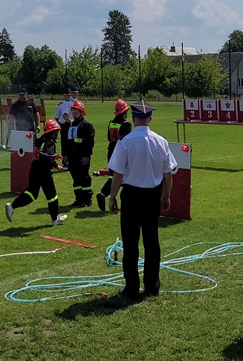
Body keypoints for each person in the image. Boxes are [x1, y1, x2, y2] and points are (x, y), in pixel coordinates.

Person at [108, 100, 176, 300]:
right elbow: (168, 173)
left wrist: (112, 196)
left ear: (134, 119)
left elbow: (118, 174)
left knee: (130, 243)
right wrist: (166, 196)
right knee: (151, 241)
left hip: (131, 195)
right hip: (152, 195)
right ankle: (152, 287)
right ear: (150, 119)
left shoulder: (126, 142)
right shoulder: (161, 141)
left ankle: (131, 288)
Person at [5, 119, 68, 226]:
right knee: (52, 196)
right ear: (53, 132)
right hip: (43, 172)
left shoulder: (41, 140)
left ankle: (12, 206)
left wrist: (54, 160)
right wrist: (55, 162)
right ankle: (55, 219)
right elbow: (45, 157)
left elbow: (41, 155)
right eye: (56, 131)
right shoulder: (50, 142)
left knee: (32, 194)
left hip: (35, 169)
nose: (57, 134)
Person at [96, 99, 132, 211]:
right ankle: (106, 195)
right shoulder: (126, 124)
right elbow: (128, 140)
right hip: (121, 150)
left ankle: (104, 194)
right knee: (122, 176)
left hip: (111, 149)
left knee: (115, 175)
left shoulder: (111, 122)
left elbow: (109, 137)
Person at [64, 100, 96, 207]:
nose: (74, 115)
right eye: (73, 113)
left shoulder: (87, 125)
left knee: (84, 177)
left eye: (76, 113)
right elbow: (68, 142)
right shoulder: (71, 125)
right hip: (72, 156)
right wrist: (66, 155)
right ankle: (79, 198)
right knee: (75, 178)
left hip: (82, 155)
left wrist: (87, 156)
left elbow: (89, 142)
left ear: (81, 112)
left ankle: (87, 199)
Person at [54, 87, 75, 161]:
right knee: (65, 143)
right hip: (65, 125)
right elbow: (57, 117)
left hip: (70, 124)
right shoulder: (61, 105)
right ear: (63, 95)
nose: (68, 96)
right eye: (66, 95)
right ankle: (65, 160)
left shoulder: (71, 103)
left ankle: (69, 159)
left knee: (71, 143)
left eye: (69, 95)